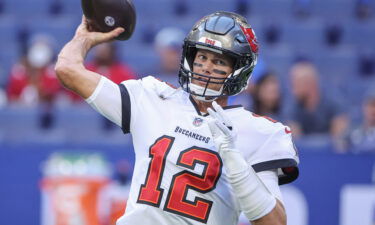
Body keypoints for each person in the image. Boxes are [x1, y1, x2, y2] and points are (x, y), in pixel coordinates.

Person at [55, 11, 299, 225]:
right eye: (201, 57)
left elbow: (274, 222)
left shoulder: (258, 132)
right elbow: (67, 70)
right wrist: (83, 39)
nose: (206, 67)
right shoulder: (152, 97)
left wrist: (236, 164)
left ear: (239, 70)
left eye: (219, 61)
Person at [285, 59, 349, 149]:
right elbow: (295, 142)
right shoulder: (292, 108)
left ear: (309, 83)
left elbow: (339, 140)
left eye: (295, 83)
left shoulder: (334, 103)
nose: (292, 88)